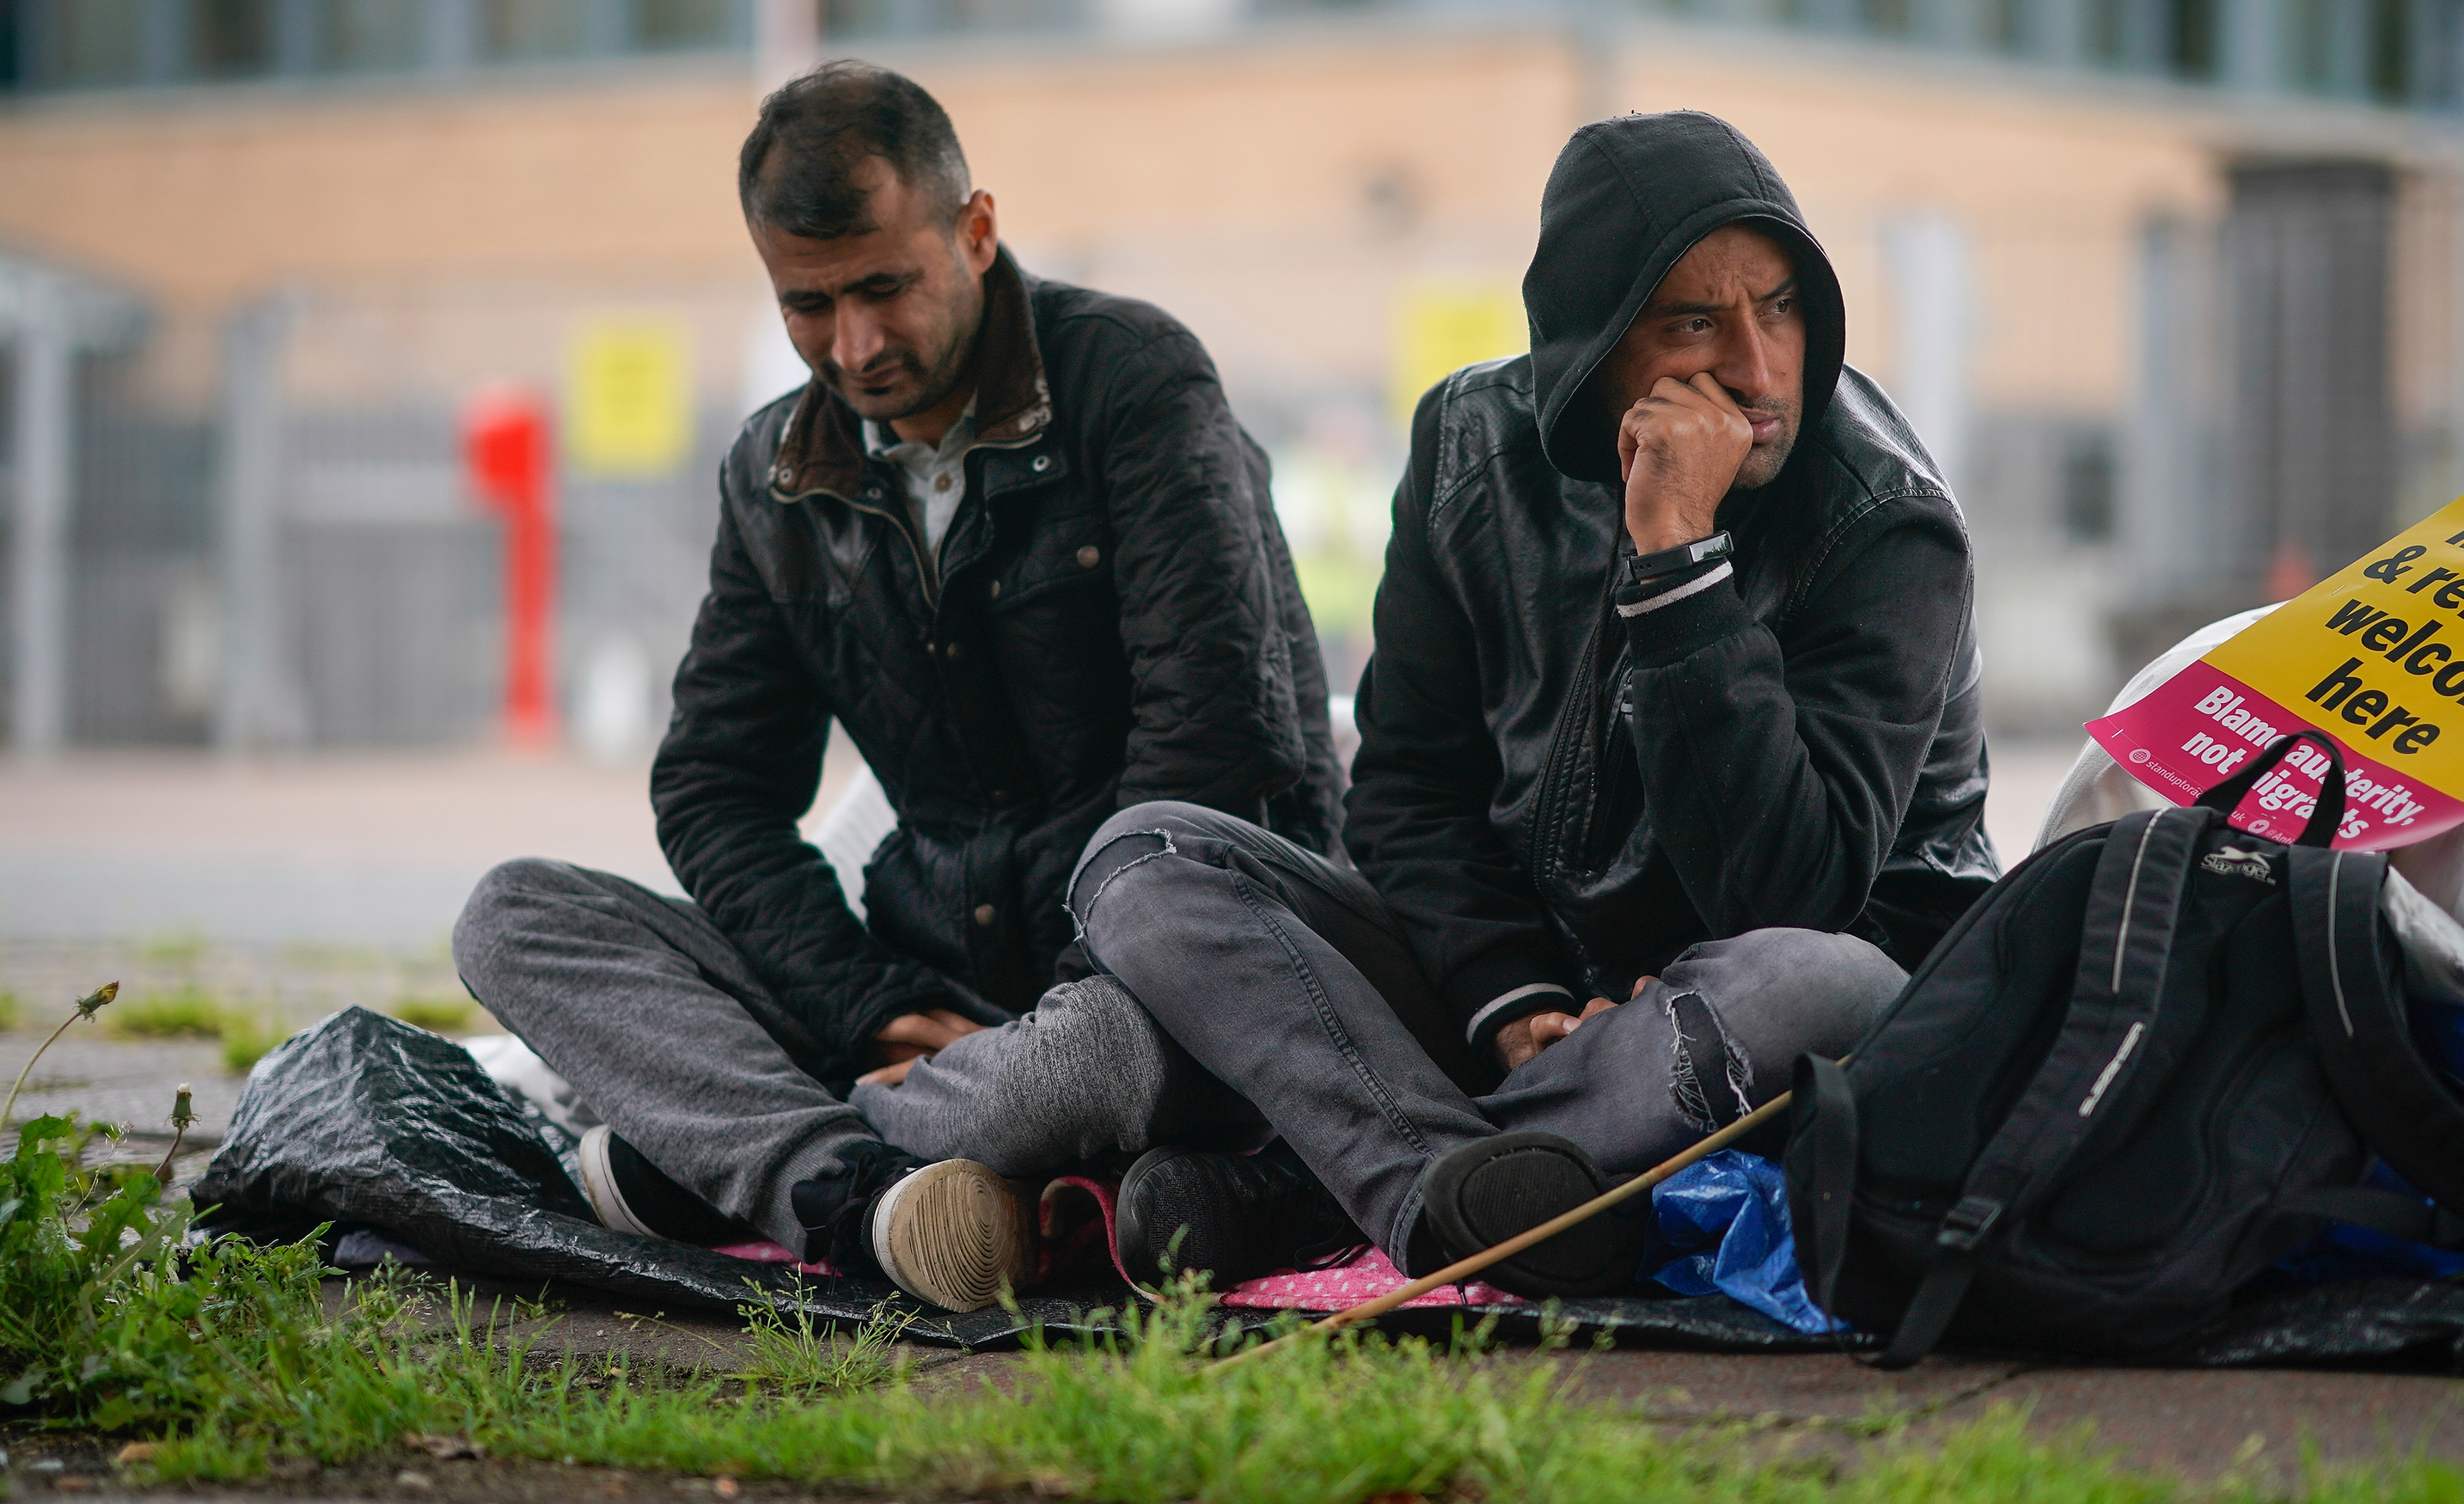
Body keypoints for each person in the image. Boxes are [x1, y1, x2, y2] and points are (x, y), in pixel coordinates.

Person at [1051, 110, 1996, 1299]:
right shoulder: (1466, 448)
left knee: (1822, 985)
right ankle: (1459, 1200)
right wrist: (1512, 998)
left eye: (1783, 307)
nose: (1759, 371)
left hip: (1742, 1014)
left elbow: (1795, 893)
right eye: (1695, 322)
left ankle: (1320, 1191)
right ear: (1595, 349)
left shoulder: (1885, 525)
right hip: (1524, 1002)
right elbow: (1404, 793)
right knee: (1145, 861)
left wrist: (1679, 568)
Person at [454, 63, 1337, 1311]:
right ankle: (869, 1193)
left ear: (975, 230)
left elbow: (1216, 754)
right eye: (808, 306)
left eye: (885, 287)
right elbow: (715, 791)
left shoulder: (1134, 383)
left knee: (1067, 1070)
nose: (854, 346)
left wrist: (1054, 1014)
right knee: (513, 916)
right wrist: (872, 1006)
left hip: (1162, 985)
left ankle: (748, 1153)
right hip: (918, 990)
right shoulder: (773, 471)